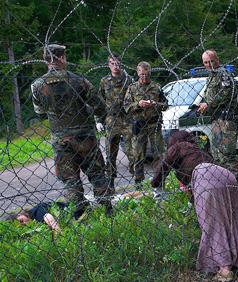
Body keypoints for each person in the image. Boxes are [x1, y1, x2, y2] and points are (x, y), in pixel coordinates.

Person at [151, 130, 238, 281]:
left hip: (206, 180)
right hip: (227, 176)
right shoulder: (200, 150)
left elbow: (163, 166)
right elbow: (198, 186)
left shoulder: (177, 147)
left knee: (214, 225)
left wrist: (155, 183)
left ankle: (224, 270)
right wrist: (191, 204)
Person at [31, 44, 113, 217]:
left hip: (61, 140)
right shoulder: (79, 81)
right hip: (85, 137)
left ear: (47, 60)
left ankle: (79, 214)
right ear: (62, 58)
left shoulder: (37, 85)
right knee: (97, 173)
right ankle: (107, 210)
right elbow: (100, 107)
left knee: (71, 180)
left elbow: (40, 113)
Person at [197, 49, 238, 184]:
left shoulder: (224, 75)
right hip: (216, 120)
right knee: (218, 155)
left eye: (211, 61)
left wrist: (208, 104)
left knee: (227, 155)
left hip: (227, 120)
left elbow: (226, 94)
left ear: (217, 60)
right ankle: (228, 182)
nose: (209, 65)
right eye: (206, 62)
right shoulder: (211, 77)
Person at [123, 61, 168, 186]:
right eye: (142, 74)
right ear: (138, 73)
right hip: (139, 124)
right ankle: (138, 182)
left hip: (154, 124)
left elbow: (165, 105)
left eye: (147, 74)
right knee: (138, 154)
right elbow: (126, 107)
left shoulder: (156, 87)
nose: (144, 77)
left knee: (158, 153)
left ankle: (159, 181)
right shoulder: (132, 88)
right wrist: (138, 104)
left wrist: (156, 105)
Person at [97, 52, 133, 190]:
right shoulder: (104, 81)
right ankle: (110, 183)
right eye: (112, 63)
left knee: (132, 152)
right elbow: (99, 102)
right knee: (111, 153)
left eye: (117, 63)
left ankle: (137, 180)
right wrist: (98, 120)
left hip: (127, 119)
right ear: (108, 65)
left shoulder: (127, 80)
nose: (115, 66)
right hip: (111, 120)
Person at [5, 202, 70, 234]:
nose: (25, 223)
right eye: (23, 225)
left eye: (22, 220)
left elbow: (50, 219)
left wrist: (59, 235)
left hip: (70, 210)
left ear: (20, 215)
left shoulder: (37, 211)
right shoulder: (34, 223)